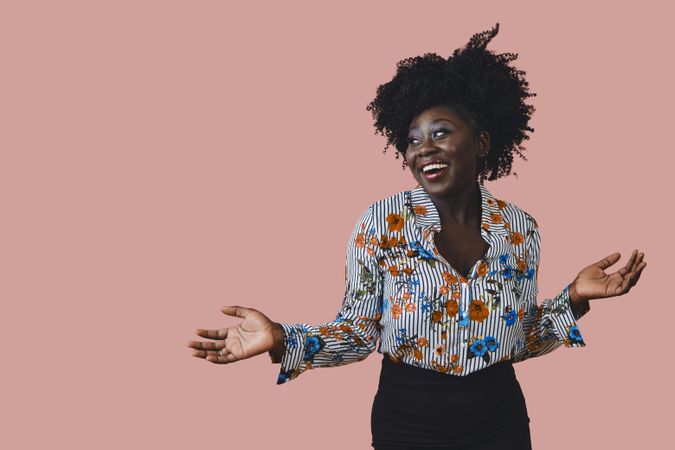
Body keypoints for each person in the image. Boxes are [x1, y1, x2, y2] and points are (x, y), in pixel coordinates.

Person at [187, 23, 646, 449]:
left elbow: (521, 339)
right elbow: (358, 333)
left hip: (500, 417)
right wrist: (282, 339)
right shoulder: (381, 222)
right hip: (409, 420)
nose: (423, 148)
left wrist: (576, 299)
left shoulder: (521, 229)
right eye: (412, 140)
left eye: (441, 133)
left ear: (482, 143)